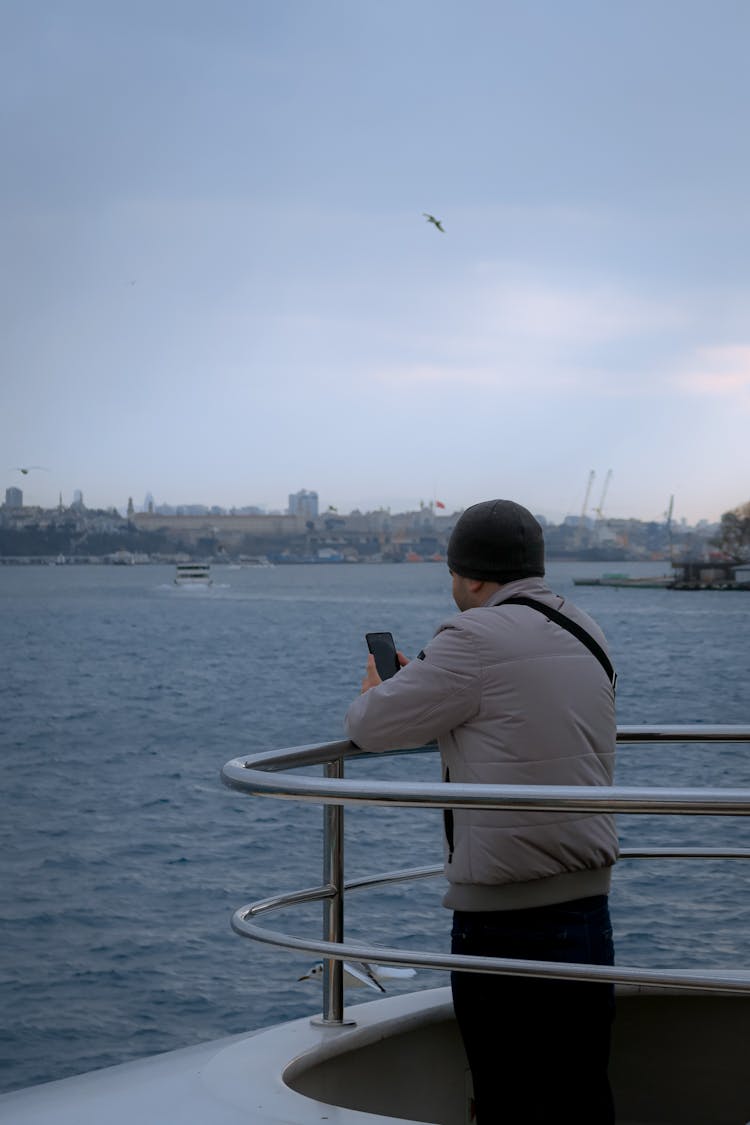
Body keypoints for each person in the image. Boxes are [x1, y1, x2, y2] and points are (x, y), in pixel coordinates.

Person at [345, 499, 618, 1124]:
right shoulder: (584, 627)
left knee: (509, 1099)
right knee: (581, 1094)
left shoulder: (469, 638)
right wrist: (432, 685)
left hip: (506, 915)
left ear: (470, 577)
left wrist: (381, 688)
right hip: (588, 909)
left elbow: (370, 725)